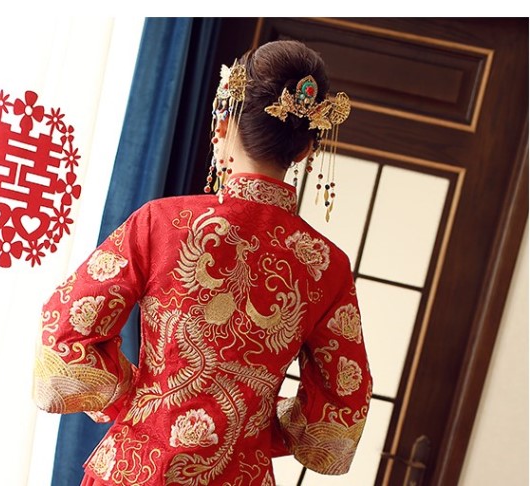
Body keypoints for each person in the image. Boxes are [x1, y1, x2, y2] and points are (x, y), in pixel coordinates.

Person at [33, 39, 372, 485]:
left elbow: (65, 333)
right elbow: (343, 402)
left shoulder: (161, 222)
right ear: (306, 149)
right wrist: (255, 426)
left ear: (223, 125)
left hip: (136, 469)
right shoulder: (326, 266)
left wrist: (138, 396)